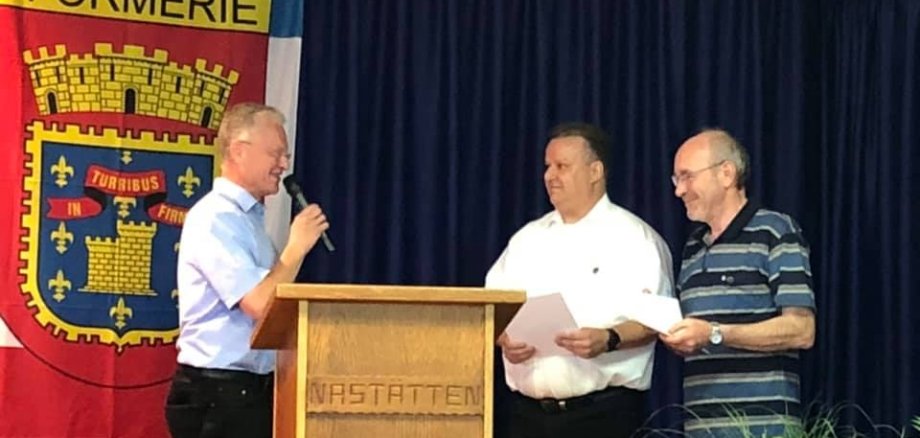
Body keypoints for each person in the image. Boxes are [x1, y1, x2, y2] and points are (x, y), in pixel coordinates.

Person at [485, 122, 673, 438]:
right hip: (525, 417)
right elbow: (489, 309)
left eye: (562, 166)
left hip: (602, 416)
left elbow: (657, 321)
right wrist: (503, 338)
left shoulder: (634, 238)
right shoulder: (526, 239)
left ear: (595, 171)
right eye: (547, 166)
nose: (550, 176)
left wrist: (608, 338)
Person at [164, 103, 329, 438]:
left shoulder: (247, 220)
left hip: (247, 391)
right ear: (239, 151)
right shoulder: (215, 218)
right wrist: (295, 248)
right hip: (217, 394)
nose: (283, 164)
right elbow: (258, 304)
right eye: (275, 153)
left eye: (285, 155)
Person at [660, 129, 816, 437]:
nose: (679, 190)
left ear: (726, 174)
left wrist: (714, 333)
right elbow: (701, 338)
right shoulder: (693, 247)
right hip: (701, 428)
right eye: (676, 179)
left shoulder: (775, 231)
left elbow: (802, 330)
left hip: (764, 429)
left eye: (687, 176)